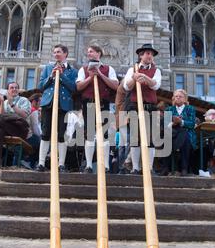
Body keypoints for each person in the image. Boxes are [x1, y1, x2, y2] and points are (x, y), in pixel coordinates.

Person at [76, 44, 118, 173]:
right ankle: (88, 165)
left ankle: (105, 165)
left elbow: (116, 85)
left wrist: (99, 74)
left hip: (103, 103)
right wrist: (90, 77)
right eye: (88, 52)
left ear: (98, 53)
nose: (89, 54)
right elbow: (79, 87)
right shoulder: (83, 69)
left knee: (104, 135)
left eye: (91, 51)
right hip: (88, 103)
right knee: (89, 134)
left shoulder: (108, 69)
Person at [37, 44, 78, 172]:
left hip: (64, 105)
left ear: (65, 54)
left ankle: (61, 164)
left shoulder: (73, 71)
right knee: (45, 133)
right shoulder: (48, 68)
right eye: (54, 52)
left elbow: (74, 88)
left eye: (58, 52)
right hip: (48, 103)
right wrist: (51, 77)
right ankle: (41, 163)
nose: (56, 54)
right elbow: (41, 86)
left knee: (62, 135)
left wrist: (62, 76)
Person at [123, 43, 161, 174]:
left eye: (151, 54)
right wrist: (134, 79)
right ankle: (135, 167)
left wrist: (145, 77)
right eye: (148, 53)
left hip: (150, 107)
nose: (150, 56)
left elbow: (155, 85)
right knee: (135, 138)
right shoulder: (131, 70)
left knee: (150, 139)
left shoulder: (156, 70)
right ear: (141, 55)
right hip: (135, 107)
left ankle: (148, 168)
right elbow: (127, 87)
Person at [165, 89, 196, 176]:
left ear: (185, 99)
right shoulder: (169, 109)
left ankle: (184, 168)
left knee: (185, 137)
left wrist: (181, 122)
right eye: (176, 96)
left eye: (180, 96)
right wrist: (173, 123)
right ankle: (166, 168)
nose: (178, 98)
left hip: (187, 134)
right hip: (172, 134)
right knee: (165, 138)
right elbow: (165, 125)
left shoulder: (190, 109)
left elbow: (192, 124)